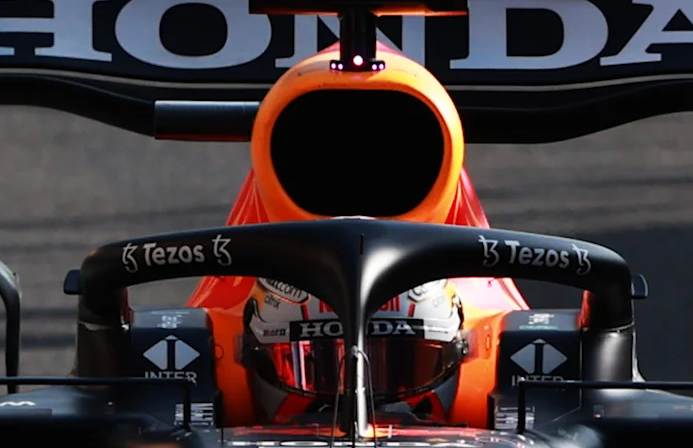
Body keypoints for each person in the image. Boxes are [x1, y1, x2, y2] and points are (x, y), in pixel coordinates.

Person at [191, 42, 520, 425]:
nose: (357, 412)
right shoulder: (220, 347)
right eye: (313, 365)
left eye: (399, 366)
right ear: (251, 353)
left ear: (457, 351)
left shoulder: (485, 344)